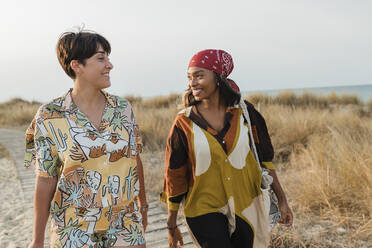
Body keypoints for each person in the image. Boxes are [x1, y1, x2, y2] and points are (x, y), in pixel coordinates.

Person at [25, 29, 148, 248]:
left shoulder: (123, 109)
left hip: (124, 225)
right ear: (77, 66)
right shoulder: (50, 115)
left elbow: (134, 159)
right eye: (101, 58)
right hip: (74, 230)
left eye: (108, 58)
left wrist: (144, 206)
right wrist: (37, 239)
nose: (109, 65)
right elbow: (45, 179)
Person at [161, 49, 293, 247]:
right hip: (203, 209)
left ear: (218, 77)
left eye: (199, 75)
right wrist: (172, 224)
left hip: (247, 205)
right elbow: (175, 173)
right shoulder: (183, 122)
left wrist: (282, 200)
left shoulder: (246, 113)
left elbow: (265, 160)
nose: (192, 83)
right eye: (189, 77)